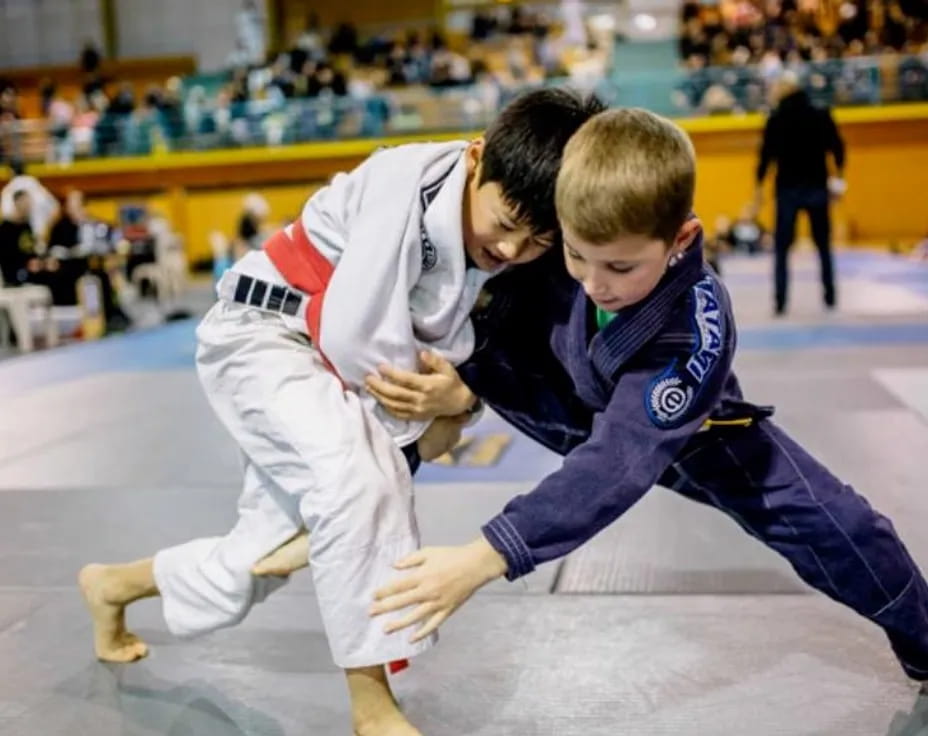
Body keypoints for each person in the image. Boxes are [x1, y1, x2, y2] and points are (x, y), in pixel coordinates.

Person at [77, 88, 604, 736]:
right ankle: (371, 706)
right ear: (477, 158)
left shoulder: (501, 244)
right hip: (265, 334)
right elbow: (358, 338)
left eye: (537, 240)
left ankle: (112, 587)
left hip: (335, 368)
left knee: (262, 556)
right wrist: (432, 426)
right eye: (506, 222)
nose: (514, 247)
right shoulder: (400, 181)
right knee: (358, 486)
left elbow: (480, 363)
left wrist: (460, 401)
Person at [364, 108, 928, 694]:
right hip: (547, 385)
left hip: (690, 432)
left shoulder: (694, 329)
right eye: (576, 254)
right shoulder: (556, 235)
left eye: (621, 265)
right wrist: (465, 388)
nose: (593, 281)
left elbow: (616, 463)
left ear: (678, 239)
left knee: (838, 523)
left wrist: (483, 556)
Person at [756, 72, 846, 316]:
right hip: (817, 186)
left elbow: (766, 157)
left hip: (787, 190)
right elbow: (837, 148)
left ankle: (780, 300)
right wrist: (838, 178)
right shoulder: (820, 113)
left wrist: (758, 187)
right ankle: (830, 296)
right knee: (823, 245)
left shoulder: (775, 119)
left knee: (782, 249)